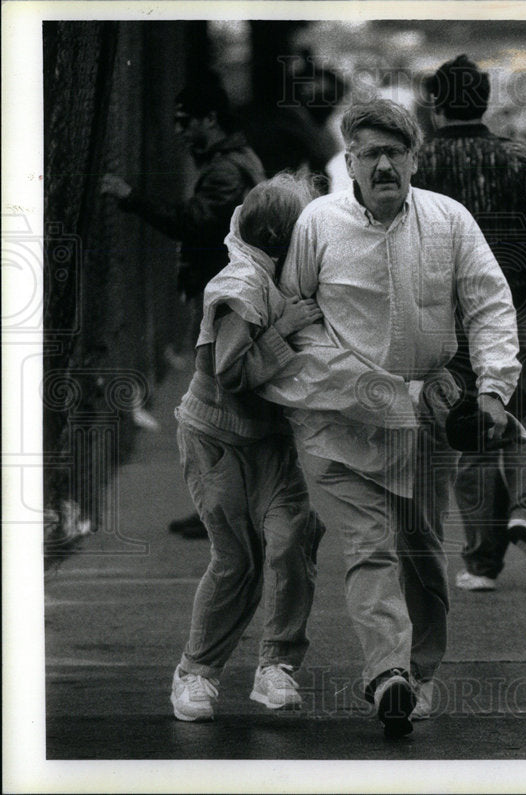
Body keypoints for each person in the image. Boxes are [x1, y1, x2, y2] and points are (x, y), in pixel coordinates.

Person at [279, 99, 522, 737]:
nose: (384, 164)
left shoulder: (448, 219)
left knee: (420, 551)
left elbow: (490, 303)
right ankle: (388, 675)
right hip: (340, 421)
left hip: (426, 417)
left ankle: (419, 672)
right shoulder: (318, 224)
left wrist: (494, 390)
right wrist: (330, 378)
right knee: (368, 547)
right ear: (350, 163)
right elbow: (294, 309)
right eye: (370, 154)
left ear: (414, 158)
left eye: (396, 152)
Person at [412, 54, 526, 592]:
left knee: (468, 428)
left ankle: (482, 561)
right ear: (483, 100)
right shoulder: (519, 159)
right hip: (514, 310)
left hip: (441, 314)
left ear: (436, 104)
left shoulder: (418, 166)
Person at [168, 174, 325, 722]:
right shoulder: (242, 284)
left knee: (292, 538)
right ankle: (196, 673)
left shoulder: (275, 275)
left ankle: (277, 665)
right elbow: (231, 372)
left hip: (268, 441)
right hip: (216, 440)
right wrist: (283, 327)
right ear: (284, 238)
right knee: (237, 561)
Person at [101, 79, 265, 540]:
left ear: (208, 120)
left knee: (216, 411)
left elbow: (193, 222)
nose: (178, 131)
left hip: (224, 302)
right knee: (226, 409)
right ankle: (230, 506)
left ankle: (224, 510)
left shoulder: (224, 172)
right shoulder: (237, 160)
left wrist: (132, 199)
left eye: (184, 122)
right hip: (234, 299)